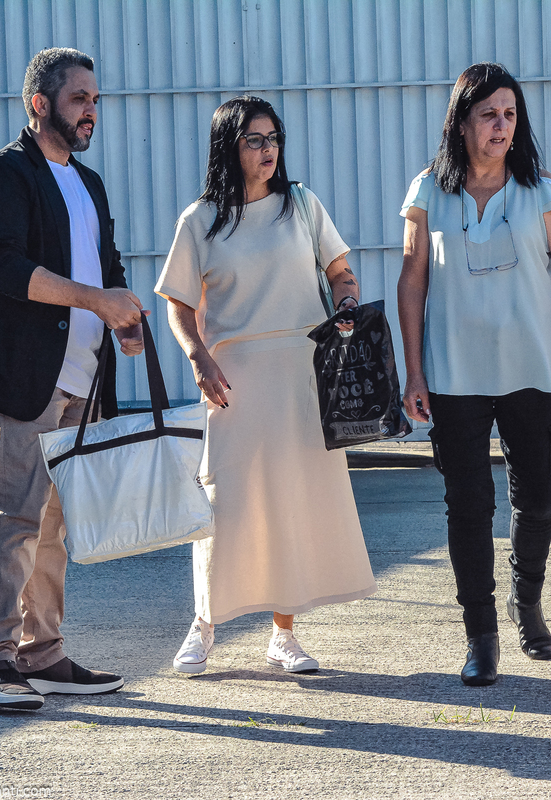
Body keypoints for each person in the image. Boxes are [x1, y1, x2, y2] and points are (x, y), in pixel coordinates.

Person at [398, 63, 551, 686]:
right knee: (468, 506)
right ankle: (480, 635)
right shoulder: (428, 191)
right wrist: (413, 370)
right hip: (453, 374)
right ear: (461, 123)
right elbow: (413, 283)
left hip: (532, 371)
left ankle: (528, 600)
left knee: (538, 497)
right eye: (488, 114)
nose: (501, 125)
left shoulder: (542, 191)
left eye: (510, 114)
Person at [0, 48, 144, 710]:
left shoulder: (88, 184)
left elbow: (105, 262)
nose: (92, 110)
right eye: (79, 99)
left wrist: (122, 316)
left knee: (55, 525)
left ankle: (41, 653)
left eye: (96, 99)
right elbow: (0, 265)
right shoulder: (6, 172)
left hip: (82, 380)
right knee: (16, 518)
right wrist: (96, 301)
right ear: (41, 105)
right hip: (29, 379)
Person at [156, 95, 376, 675]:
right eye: (255, 139)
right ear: (230, 146)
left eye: (273, 137)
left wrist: (347, 300)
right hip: (233, 380)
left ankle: (284, 634)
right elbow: (177, 303)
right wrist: (197, 354)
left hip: (303, 373)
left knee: (291, 503)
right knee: (223, 505)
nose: (268, 149)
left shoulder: (301, 205)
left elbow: (340, 270)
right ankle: (203, 627)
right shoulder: (199, 219)